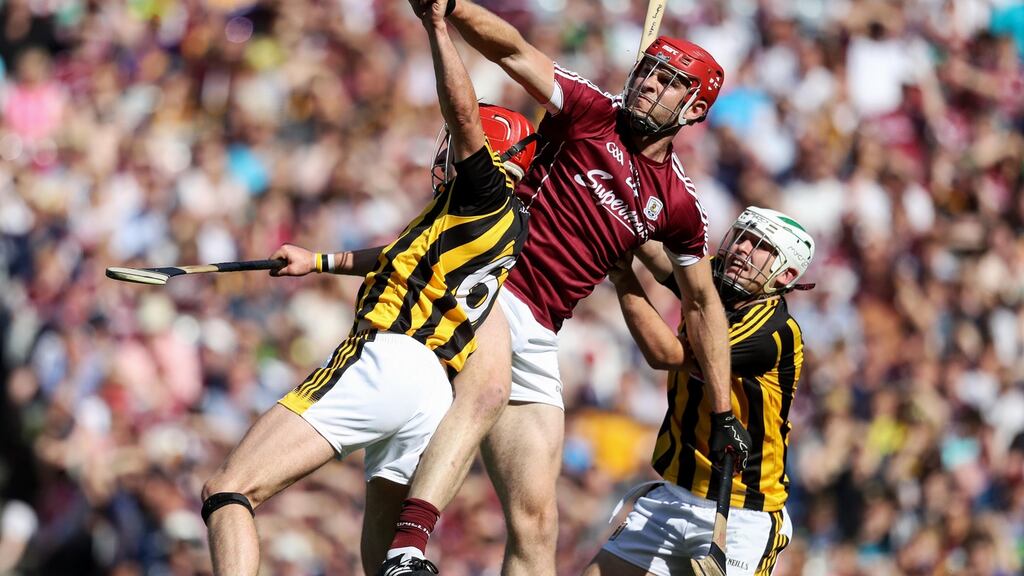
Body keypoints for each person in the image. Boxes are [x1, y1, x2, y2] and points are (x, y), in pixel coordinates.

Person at [374, 2, 752, 574]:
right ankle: (409, 551)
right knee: (484, 392)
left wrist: (723, 411)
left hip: (543, 327)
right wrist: (451, 8)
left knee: (537, 522)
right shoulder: (590, 112)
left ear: (695, 109)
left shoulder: (677, 204)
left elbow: (700, 303)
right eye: (648, 72)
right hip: (491, 286)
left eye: (669, 83)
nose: (649, 85)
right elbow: (512, 50)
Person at [199, 0, 538, 573]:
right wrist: (320, 261)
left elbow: (460, 112)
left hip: (388, 357)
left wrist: (435, 25)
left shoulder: (482, 192)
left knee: (228, 489)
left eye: (462, 149)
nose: (450, 156)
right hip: (431, 390)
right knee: (382, 560)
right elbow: (399, 258)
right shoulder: (496, 223)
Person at [584, 206, 815, 576]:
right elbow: (663, 259)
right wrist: (621, 210)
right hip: (674, 492)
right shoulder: (717, 290)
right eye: (743, 238)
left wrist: (622, 275)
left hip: (741, 513)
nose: (742, 249)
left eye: (760, 246)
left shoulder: (773, 331)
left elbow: (665, 354)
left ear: (785, 274)